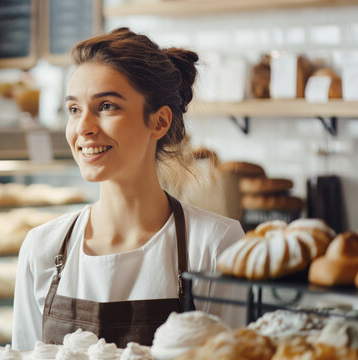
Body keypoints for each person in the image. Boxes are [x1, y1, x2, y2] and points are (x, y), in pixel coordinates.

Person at [12, 27, 245, 350]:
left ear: (159, 122)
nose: (83, 128)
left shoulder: (216, 245)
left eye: (107, 106)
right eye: (74, 110)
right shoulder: (43, 248)